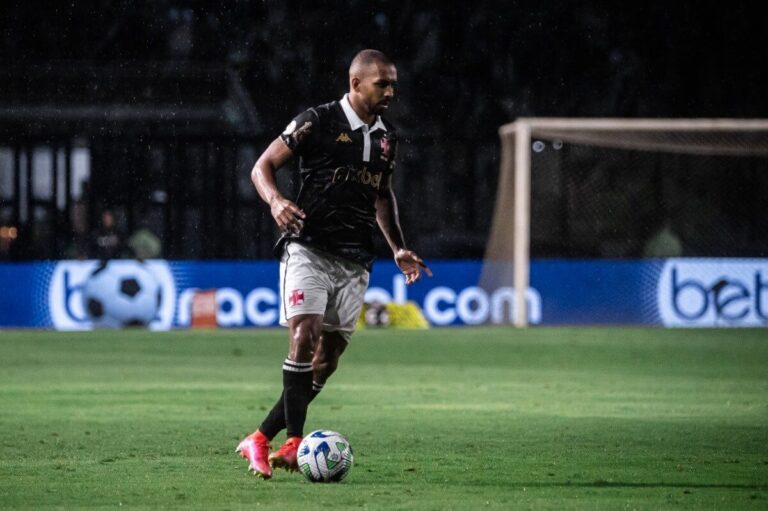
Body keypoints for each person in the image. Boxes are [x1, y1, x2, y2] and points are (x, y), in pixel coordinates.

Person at [236, 49, 431, 479]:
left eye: (393, 84)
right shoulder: (318, 120)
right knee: (304, 334)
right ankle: (294, 442)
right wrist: (276, 201)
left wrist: (398, 247)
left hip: (355, 258)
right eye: (382, 83)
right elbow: (262, 166)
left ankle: (260, 437)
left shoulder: (387, 137)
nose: (390, 92)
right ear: (356, 83)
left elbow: (382, 194)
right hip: (308, 247)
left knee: (327, 360)